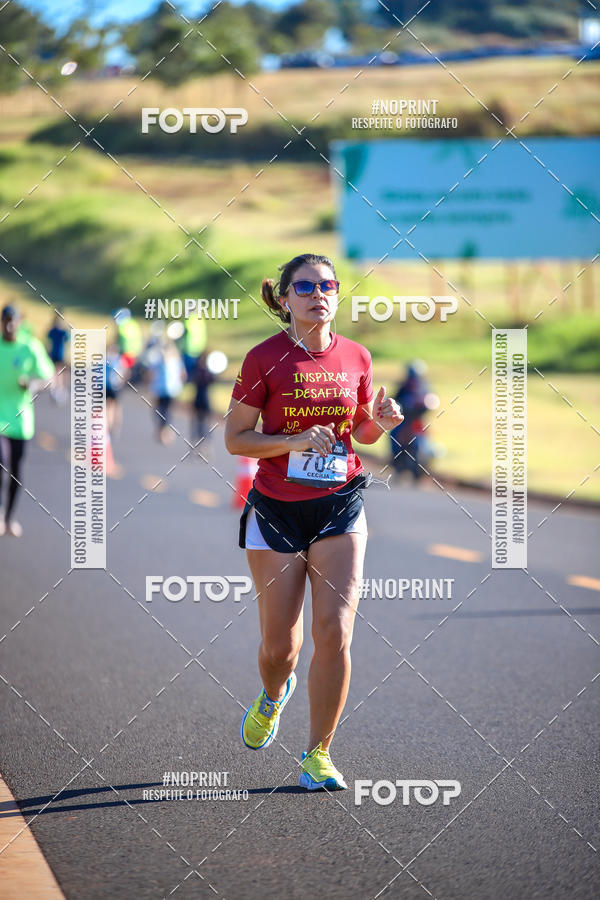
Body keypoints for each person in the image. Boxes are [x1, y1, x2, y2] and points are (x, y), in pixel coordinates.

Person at [225, 253, 403, 791]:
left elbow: (361, 434)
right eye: (304, 287)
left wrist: (383, 422)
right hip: (277, 507)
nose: (317, 294)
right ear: (284, 299)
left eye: (327, 285)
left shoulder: (357, 356)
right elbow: (236, 438)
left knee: (335, 631)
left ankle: (317, 753)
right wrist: (294, 442)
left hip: (340, 503)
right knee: (280, 647)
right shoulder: (264, 359)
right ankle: (273, 695)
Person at [0, 305, 54, 536]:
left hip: (21, 419)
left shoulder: (29, 346)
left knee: (16, 472)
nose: (10, 325)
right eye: (6, 320)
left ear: (20, 322)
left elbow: (49, 377)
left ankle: (9, 518)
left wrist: (31, 384)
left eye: (14, 321)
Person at [149, 337, 186, 444]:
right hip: (164, 389)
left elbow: (182, 374)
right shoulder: (167, 360)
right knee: (163, 411)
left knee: (163, 411)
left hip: (167, 389)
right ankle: (164, 431)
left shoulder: (173, 360)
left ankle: (165, 433)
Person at [46, 311, 69, 401]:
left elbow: (48, 338)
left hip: (55, 353)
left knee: (55, 371)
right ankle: (59, 389)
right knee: (59, 372)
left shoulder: (53, 330)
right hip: (59, 354)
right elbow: (68, 339)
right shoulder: (62, 331)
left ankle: (55, 389)